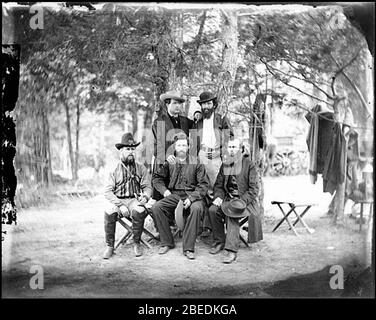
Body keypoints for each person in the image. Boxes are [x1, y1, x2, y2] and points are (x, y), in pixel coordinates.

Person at [151, 133, 209, 260]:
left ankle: (188, 247)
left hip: (192, 195)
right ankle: (167, 242)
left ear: (188, 147)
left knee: (197, 208)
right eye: (179, 145)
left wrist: (191, 198)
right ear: (175, 147)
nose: (181, 148)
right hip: (174, 195)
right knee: (157, 207)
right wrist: (165, 191)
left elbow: (204, 184)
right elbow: (156, 178)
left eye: (184, 145)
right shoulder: (169, 161)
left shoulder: (196, 162)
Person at [208, 138, 262, 264]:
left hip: (246, 202)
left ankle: (231, 251)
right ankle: (219, 241)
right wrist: (219, 197)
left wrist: (240, 202)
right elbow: (218, 185)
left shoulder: (249, 165)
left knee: (232, 214)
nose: (232, 150)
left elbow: (254, 189)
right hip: (228, 199)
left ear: (241, 149)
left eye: (234, 147)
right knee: (212, 210)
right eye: (230, 147)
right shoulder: (225, 164)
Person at [191, 91, 234, 237]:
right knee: (203, 187)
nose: (206, 106)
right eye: (203, 104)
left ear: (213, 105)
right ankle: (206, 226)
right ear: (201, 106)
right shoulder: (198, 121)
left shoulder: (221, 119)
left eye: (209, 103)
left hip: (216, 155)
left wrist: (224, 152)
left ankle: (215, 226)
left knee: (216, 188)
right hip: (202, 154)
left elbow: (230, 136)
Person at [103, 133, 152, 259]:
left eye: (132, 149)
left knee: (139, 210)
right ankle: (110, 246)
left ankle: (136, 242)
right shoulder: (113, 168)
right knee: (109, 211)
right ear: (121, 151)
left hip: (134, 200)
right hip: (117, 200)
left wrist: (145, 197)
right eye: (127, 149)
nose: (131, 152)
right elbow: (107, 192)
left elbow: (147, 187)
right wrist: (120, 205)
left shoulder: (141, 168)